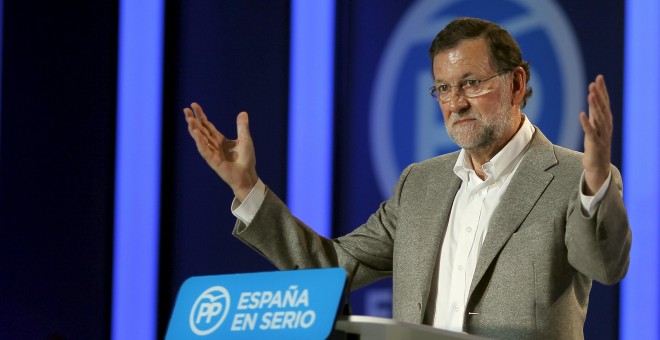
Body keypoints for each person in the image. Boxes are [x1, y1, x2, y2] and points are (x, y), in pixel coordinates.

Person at [183, 17, 631, 339]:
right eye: (443, 87)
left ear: (516, 84)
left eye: (472, 82)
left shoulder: (576, 175)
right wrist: (246, 188)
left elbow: (605, 267)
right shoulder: (420, 184)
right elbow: (330, 268)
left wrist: (594, 184)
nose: (455, 103)